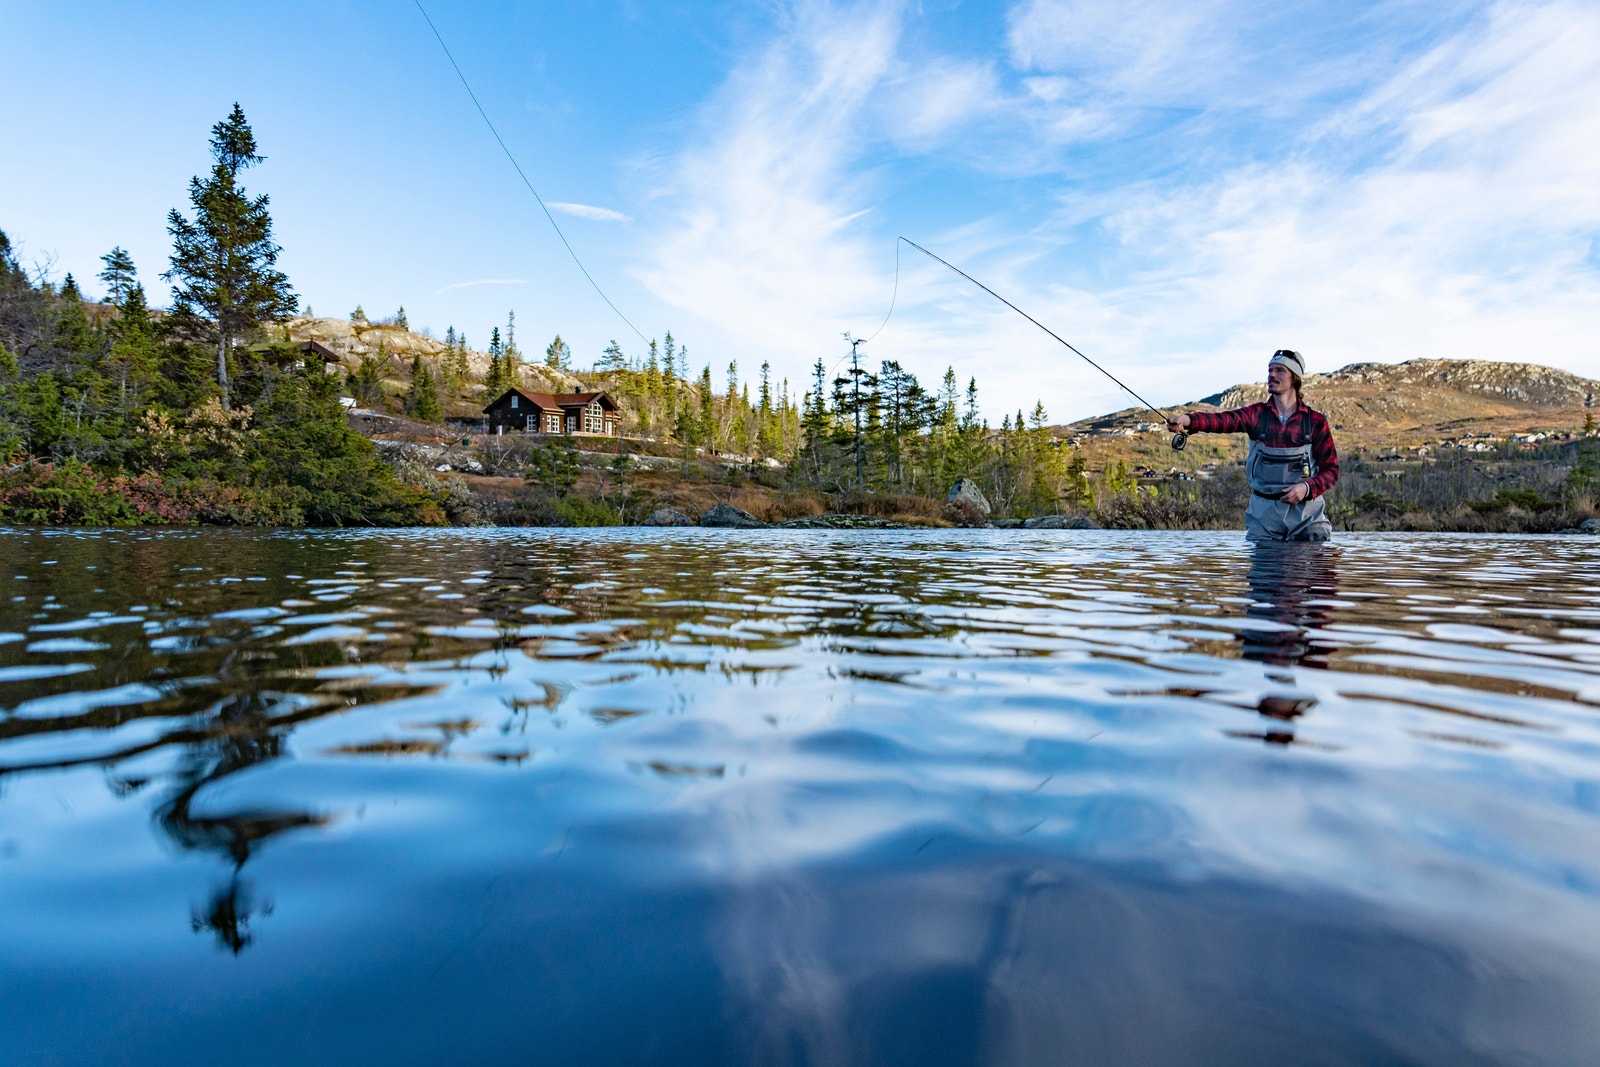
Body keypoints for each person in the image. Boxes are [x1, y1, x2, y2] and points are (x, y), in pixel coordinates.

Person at [1166, 349, 1339, 542]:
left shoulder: (1315, 421)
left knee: (1318, 564)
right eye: (1270, 370)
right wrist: (1188, 420)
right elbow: (1223, 420)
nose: (1271, 375)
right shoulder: (1256, 415)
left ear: (1295, 379)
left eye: (1280, 370)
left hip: (1307, 518)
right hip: (1264, 519)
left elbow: (1331, 471)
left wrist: (1306, 488)